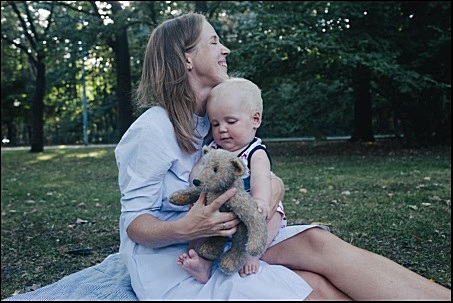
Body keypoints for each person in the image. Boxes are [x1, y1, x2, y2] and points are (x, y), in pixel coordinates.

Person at [114, 12, 451, 301]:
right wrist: (188, 228)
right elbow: (134, 223)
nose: (225, 49)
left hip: (234, 231)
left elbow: (258, 174)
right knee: (314, 288)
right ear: (186, 58)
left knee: (320, 243)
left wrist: (270, 191)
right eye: (214, 41)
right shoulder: (152, 130)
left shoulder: (213, 118)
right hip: (180, 255)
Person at [177, 77, 288, 283]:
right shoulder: (215, 151)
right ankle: (201, 262)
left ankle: (252, 253)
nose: (222, 129)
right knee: (198, 223)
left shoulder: (255, 152)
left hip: (249, 210)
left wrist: (261, 201)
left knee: (273, 217)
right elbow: (199, 172)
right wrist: (197, 190)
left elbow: (262, 178)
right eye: (215, 124)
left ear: (255, 120)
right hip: (220, 211)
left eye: (231, 121)